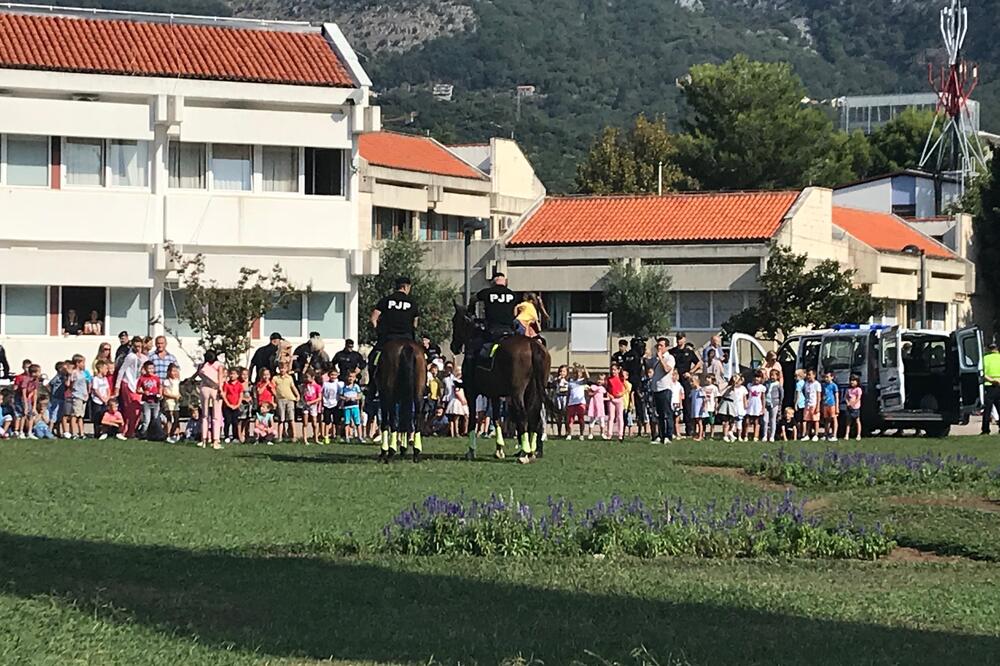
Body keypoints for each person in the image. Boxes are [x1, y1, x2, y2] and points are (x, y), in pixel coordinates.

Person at [368, 276, 420, 379]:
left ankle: (372, 387)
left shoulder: (385, 301)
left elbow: (373, 318)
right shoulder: (412, 303)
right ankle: (423, 387)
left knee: (373, 359)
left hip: (388, 338)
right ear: (406, 287)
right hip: (407, 337)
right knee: (421, 359)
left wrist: (378, 331)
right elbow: (415, 323)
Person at [670, 333, 702, 436]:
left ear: (684, 339)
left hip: (685, 380)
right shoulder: (672, 352)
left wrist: (691, 372)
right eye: (677, 338)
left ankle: (689, 429)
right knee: (673, 404)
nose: (679, 340)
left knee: (687, 404)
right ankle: (673, 429)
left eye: (681, 338)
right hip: (674, 380)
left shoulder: (689, 352)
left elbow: (698, 363)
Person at [646, 337, 676, 444]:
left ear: (666, 347)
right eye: (657, 345)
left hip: (665, 388)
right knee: (659, 414)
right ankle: (661, 436)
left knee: (667, 413)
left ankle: (669, 435)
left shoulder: (670, 358)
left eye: (661, 346)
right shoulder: (655, 359)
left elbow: (667, 369)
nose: (659, 347)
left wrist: (661, 358)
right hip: (656, 388)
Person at [473, 272, 518, 343]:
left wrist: (472, 312)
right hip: (509, 329)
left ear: (492, 282)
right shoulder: (513, 294)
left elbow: (473, 299)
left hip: (492, 329)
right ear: (506, 282)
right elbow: (515, 313)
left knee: (476, 346)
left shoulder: (486, 292)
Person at [116, 336, 146, 438]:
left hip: (138, 385)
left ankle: (132, 430)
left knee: (137, 410)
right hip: (128, 383)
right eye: (136, 346)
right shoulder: (130, 356)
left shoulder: (144, 358)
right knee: (130, 409)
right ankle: (125, 431)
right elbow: (122, 370)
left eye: (139, 346)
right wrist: (117, 386)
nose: (138, 348)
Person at [196, 350, 225, 449]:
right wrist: (221, 389)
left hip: (204, 388)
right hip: (215, 389)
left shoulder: (202, 366)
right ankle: (215, 441)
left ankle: (203, 440)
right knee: (216, 416)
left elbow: (198, 375)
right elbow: (220, 377)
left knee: (204, 415)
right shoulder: (219, 365)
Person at [65, 356, 90, 440]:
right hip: (77, 395)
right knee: (75, 415)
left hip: (83, 396)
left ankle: (81, 433)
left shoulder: (83, 373)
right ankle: (74, 433)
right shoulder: (74, 373)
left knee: (80, 416)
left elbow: (86, 383)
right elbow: (70, 384)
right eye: (82, 362)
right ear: (77, 363)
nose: (84, 364)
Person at [273, 362, 299, 442]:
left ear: (287, 369)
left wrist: (297, 395)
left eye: (284, 368)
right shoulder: (275, 378)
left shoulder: (289, 378)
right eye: (281, 368)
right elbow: (273, 388)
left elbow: (293, 387)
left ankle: (294, 436)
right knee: (281, 419)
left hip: (290, 399)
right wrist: (275, 397)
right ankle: (280, 436)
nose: (282, 370)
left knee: (291, 418)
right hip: (280, 400)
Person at [137, 360, 162, 438]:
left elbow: (160, 387)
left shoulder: (156, 378)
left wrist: (160, 394)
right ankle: (142, 434)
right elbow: (138, 389)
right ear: (145, 369)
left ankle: (154, 434)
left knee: (155, 417)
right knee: (146, 419)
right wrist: (144, 392)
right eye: (149, 368)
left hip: (155, 401)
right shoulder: (142, 378)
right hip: (146, 402)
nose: (151, 370)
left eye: (152, 368)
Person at [565, 366, 589, 440]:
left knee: (581, 419)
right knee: (570, 419)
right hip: (571, 403)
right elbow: (569, 393)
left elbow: (588, 378)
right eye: (576, 373)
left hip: (580, 403)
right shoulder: (571, 381)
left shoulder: (581, 381)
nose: (578, 374)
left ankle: (581, 434)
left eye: (579, 373)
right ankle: (569, 434)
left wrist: (585, 370)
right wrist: (567, 402)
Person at [340, 371, 364, 444]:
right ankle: (347, 437)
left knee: (357, 422)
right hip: (347, 407)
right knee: (347, 422)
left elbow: (360, 395)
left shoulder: (356, 386)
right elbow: (340, 396)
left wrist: (355, 398)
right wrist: (345, 398)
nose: (351, 378)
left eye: (353, 377)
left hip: (355, 406)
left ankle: (360, 437)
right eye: (349, 376)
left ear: (355, 378)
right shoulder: (344, 387)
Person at [222, 367, 243, 444]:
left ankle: (235, 436)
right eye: (230, 374)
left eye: (234, 374)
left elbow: (240, 395)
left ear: (237, 375)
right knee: (227, 421)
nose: (232, 375)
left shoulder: (239, 385)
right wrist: (228, 404)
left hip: (236, 406)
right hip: (227, 406)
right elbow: (224, 395)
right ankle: (226, 436)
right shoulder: (227, 384)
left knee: (235, 422)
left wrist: (237, 404)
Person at [606, 364, 627, 442]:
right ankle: (609, 434)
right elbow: (607, 389)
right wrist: (609, 395)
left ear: (618, 370)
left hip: (619, 399)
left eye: (615, 370)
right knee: (611, 417)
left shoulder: (621, 378)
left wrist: (622, 393)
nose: (613, 371)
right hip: (612, 399)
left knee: (620, 416)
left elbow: (627, 388)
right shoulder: (609, 379)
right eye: (612, 370)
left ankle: (620, 434)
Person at [91, 360, 112, 438]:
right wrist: (102, 398)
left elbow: (108, 389)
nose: (107, 370)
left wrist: (107, 397)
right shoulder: (96, 379)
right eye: (106, 369)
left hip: (105, 401)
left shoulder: (105, 379)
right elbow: (95, 390)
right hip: (97, 401)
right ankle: (97, 433)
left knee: (104, 417)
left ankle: (104, 432)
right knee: (97, 417)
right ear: (100, 369)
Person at [322, 368, 343, 445]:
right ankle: (326, 436)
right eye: (332, 375)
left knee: (336, 421)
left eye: (335, 375)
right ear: (329, 375)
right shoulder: (325, 384)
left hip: (336, 404)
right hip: (327, 404)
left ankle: (336, 435)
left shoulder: (339, 384)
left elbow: (341, 394)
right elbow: (322, 393)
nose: (333, 376)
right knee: (327, 422)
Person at [982, 343, 1000, 435]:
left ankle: (985, 430)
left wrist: (992, 380)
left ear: (989, 349)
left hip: (989, 385)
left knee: (987, 409)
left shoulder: (984, 358)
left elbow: (982, 373)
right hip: (999, 384)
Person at [302, 369, 323, 445]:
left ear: (313, 377)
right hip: (306, 405)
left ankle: (316, 438)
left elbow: (319, 397)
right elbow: (303, 394)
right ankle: (305, 439)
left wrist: (311, 402)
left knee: (314, 423)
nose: (306, 379)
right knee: (305, 422)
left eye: (307, 377)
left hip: (313, 405)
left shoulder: (317, 386)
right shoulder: (305, 386)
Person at [763, 368, 784, 443]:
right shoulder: (767, 383)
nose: (772, 377)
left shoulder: (778, 384)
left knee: (773, 420)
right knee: (765, 420)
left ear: (777, 377)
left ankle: (772, 436)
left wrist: (779, 403)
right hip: (766, 403)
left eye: (774, 375)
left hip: (774, 403)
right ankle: (765, 435)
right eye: (771, 375)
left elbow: (781, 394)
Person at [162, 364, 181, 443]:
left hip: (176, 402)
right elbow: (164, 392)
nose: (175, 373)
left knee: (176, 418)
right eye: (173, 371)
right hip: (169, 401)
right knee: (170, 418)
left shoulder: (177, 381)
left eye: (176, 371)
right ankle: (168, 435)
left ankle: (174, 433)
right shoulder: (166, 381)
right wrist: (173, 396)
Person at [802, 369, 822, 442]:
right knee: (807, 420)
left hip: (814, 404)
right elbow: (805, 392)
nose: (808, 376)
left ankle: (816, 434)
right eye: (808, 375)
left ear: (814, 375)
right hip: (807, 404)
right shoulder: (806, 383)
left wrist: (818, 406)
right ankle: (807, 434)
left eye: (810, 375)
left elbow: (819, 396)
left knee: (815, 420)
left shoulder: (817, 384)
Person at [586, 373, 608, 440]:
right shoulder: (593, 387)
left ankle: (602, 433)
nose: (600, 381)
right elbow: (589, 393)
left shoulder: (603, 389)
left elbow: (607, 397)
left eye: (601, 380)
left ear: (604, 381)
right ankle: (590, 433)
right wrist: (594, 393)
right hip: (594, 405)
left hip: (600, 406)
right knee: (592, 420)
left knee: (602, 420)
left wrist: (604, 399)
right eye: (598, 379)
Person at [745, 372, 765, 442]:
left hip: (757, 406)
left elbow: (763, 398)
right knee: (747, 421)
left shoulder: (762, 387)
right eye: (755, 377)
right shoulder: (750, 386)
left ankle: (755, 436)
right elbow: (747, 396)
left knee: (757, 422)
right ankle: (746, 435)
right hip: (750, 405)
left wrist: (763, 408)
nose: (757, 378)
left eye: (758, 377)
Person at [821, 371, 839, 442]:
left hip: (832, 404)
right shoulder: (824, 385)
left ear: (832, 377)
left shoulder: (834, 385)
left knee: (834, 418)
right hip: (825, 404)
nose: (826, 379)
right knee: (827, 420)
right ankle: (826, 434)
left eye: (827, 377)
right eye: (825, 377)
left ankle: (834, 435)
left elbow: (836, 396)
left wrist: (837, 406)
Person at [845, 374, 863, 441]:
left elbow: (858, 398)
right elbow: (846, 397)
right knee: (848, 421)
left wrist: (854, 403)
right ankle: (847, 434)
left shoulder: (858, 389)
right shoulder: (849, 390)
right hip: (849, 407)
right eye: (851, 380)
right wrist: (848, 403)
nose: (852, 382)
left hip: (856, 408)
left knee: (857, 421)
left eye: (854, 380)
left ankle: (858, 434)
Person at [702, 374, 720, 440]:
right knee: (704, 422)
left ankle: (712, 435)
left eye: (709, 378)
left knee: (712, 422)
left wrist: (716, 407)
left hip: (711, 407)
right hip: (705, 408)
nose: (707, 379)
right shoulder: (703, 388)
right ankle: (703, 434)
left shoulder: (714, 388)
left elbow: (716, 398)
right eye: (706, 378)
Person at [690, 375, 705, 442]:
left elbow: (704, 399)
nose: (691, 383)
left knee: (699, 422)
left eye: (692, 381)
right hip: (694, 408)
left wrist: (704, 407)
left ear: (697, 381)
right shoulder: (693, 390)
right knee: (695, 421)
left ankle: (700, 435)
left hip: (699, 409)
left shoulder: (700, 390)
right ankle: (696, 434)